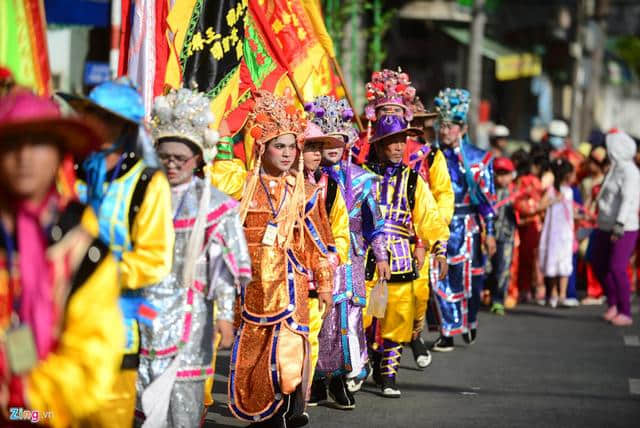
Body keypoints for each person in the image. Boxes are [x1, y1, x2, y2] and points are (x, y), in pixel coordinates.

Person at [0, 89, 124, 427]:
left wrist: (16, 403)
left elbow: (89, 364)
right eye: (12, 143)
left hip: (44, 415)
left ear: (59, 155)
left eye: (38, 142)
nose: (24, 156)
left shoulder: (83, 254)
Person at [212, 90, 334, 427]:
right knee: (252, 356)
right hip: (250, 285)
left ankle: (289, 404)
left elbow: (317, 243)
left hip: (290, 285)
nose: (287, 153)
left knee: (289, 352)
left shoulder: (305, 192)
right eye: (279, 145)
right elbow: (218, 158)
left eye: (291, 146)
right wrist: (236, 118)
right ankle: (262, 414)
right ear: (262, 148)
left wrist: (324, 282)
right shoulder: (243, 183)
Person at [133, 88, 251, 427]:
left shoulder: (215, 205)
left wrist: (226, 315)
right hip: (146, 310)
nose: (171, 164)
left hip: (192, 314)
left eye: (180, 158)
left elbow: (225, 268)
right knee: (145, 400)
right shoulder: (139, 197)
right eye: (164, 156)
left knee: (185, 401)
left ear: (198, 158)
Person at [60, 79, 175, 426]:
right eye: (90, 115)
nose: (95, 126)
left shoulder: (146, 183)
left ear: (124, 128)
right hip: (57, 332)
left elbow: (155, 259)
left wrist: (93, 272)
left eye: (105, 119)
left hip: (114, 332)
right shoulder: (65, 173)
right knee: (37, 414)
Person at [362, 70, 449, 397]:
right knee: (369, 317)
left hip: (400, 254)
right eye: (391, 142)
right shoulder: (363, 176)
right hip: (368, 255)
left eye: (402, 141)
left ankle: (389, 374)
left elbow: (428, 215)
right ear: (380, 144)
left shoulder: (414, 179)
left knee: (398, 316)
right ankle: (367, 360)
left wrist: (438, 248)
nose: (398, 147)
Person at [305, 96, 389, 406]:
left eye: (338, 140)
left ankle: (342, 376)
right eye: (324, 142)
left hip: (350, 256)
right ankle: (313, 379)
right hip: (314, 257)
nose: (333, 147)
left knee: (347, 316)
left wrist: (380, 255)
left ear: (347, 141)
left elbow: (374, 223)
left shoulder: (362, 179)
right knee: (318, 318)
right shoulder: (307, 179)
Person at [430, 88, 495, 352]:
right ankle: (447, 331)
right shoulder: (429, 156)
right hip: (439, 226)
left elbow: (488, 200)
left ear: (463, 128)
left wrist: (489, 231)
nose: (445, 131)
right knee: (439, 278)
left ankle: (468, 322)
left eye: (451, 126)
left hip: (468, 228)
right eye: (442, 126)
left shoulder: (480, 159)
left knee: (469, 279)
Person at [300, 119, 353, 408]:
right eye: (311, 148)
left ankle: (302, 394)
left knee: (312, 335)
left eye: (319, 148)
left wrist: (330, 260)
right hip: (285, 273)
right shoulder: (283, 184)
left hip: (317, 274)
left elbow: (340, 230)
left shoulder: (330, 187)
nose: (317, 154)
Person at [405, 94, 454, 369]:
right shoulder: (377, 155)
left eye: (419, 124)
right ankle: (376, 355)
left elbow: (443, 195)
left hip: (419, 234)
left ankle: (414, 336)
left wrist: (436, 238)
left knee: (418, 293)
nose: (414, 129)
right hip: (386, 232)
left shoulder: (432, 156)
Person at [591, 130, 640, 326]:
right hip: (604, 224)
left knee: (617, 268)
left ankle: (625, 311)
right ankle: (612, 303)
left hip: (624, 227)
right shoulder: (614, 168)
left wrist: (619, 224)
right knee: (598, 263)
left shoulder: (630, 171)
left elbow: (628, 200)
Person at [539, 159, 575, 308]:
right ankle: (553, 293)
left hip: (565, 231)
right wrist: (554, 200)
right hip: (553, 231)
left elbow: (571, 211)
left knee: (565, 261)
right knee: (552, 261)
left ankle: (563, 294)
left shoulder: (569, 191)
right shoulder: (551, 191)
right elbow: (541, 204)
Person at [486, 157, 517, 315]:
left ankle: (498, 300)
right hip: (488, 236)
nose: (502, 178)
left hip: (507, 237)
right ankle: (486, 294)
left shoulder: (515, 192)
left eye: (506, 174)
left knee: (503, 269)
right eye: (499, 174)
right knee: (487, 268)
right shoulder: (487, 190)